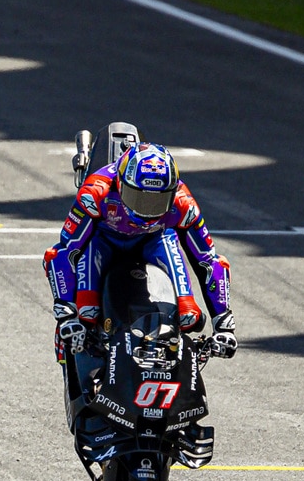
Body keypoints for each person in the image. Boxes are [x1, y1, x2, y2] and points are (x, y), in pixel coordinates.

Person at [43, 131, 236, 367]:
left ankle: (172, 359)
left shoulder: (184, 204)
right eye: (138, 198)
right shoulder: (96, 192)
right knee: (87, 312)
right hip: (103, 239)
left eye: (157, 201)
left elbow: (209, 261)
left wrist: (224, 323)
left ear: (172, 192)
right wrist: (66, 314)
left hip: (155, 239)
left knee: (189, 316)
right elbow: (62, 252)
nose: (147, 210)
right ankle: (75, 360)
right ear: (121, 183)